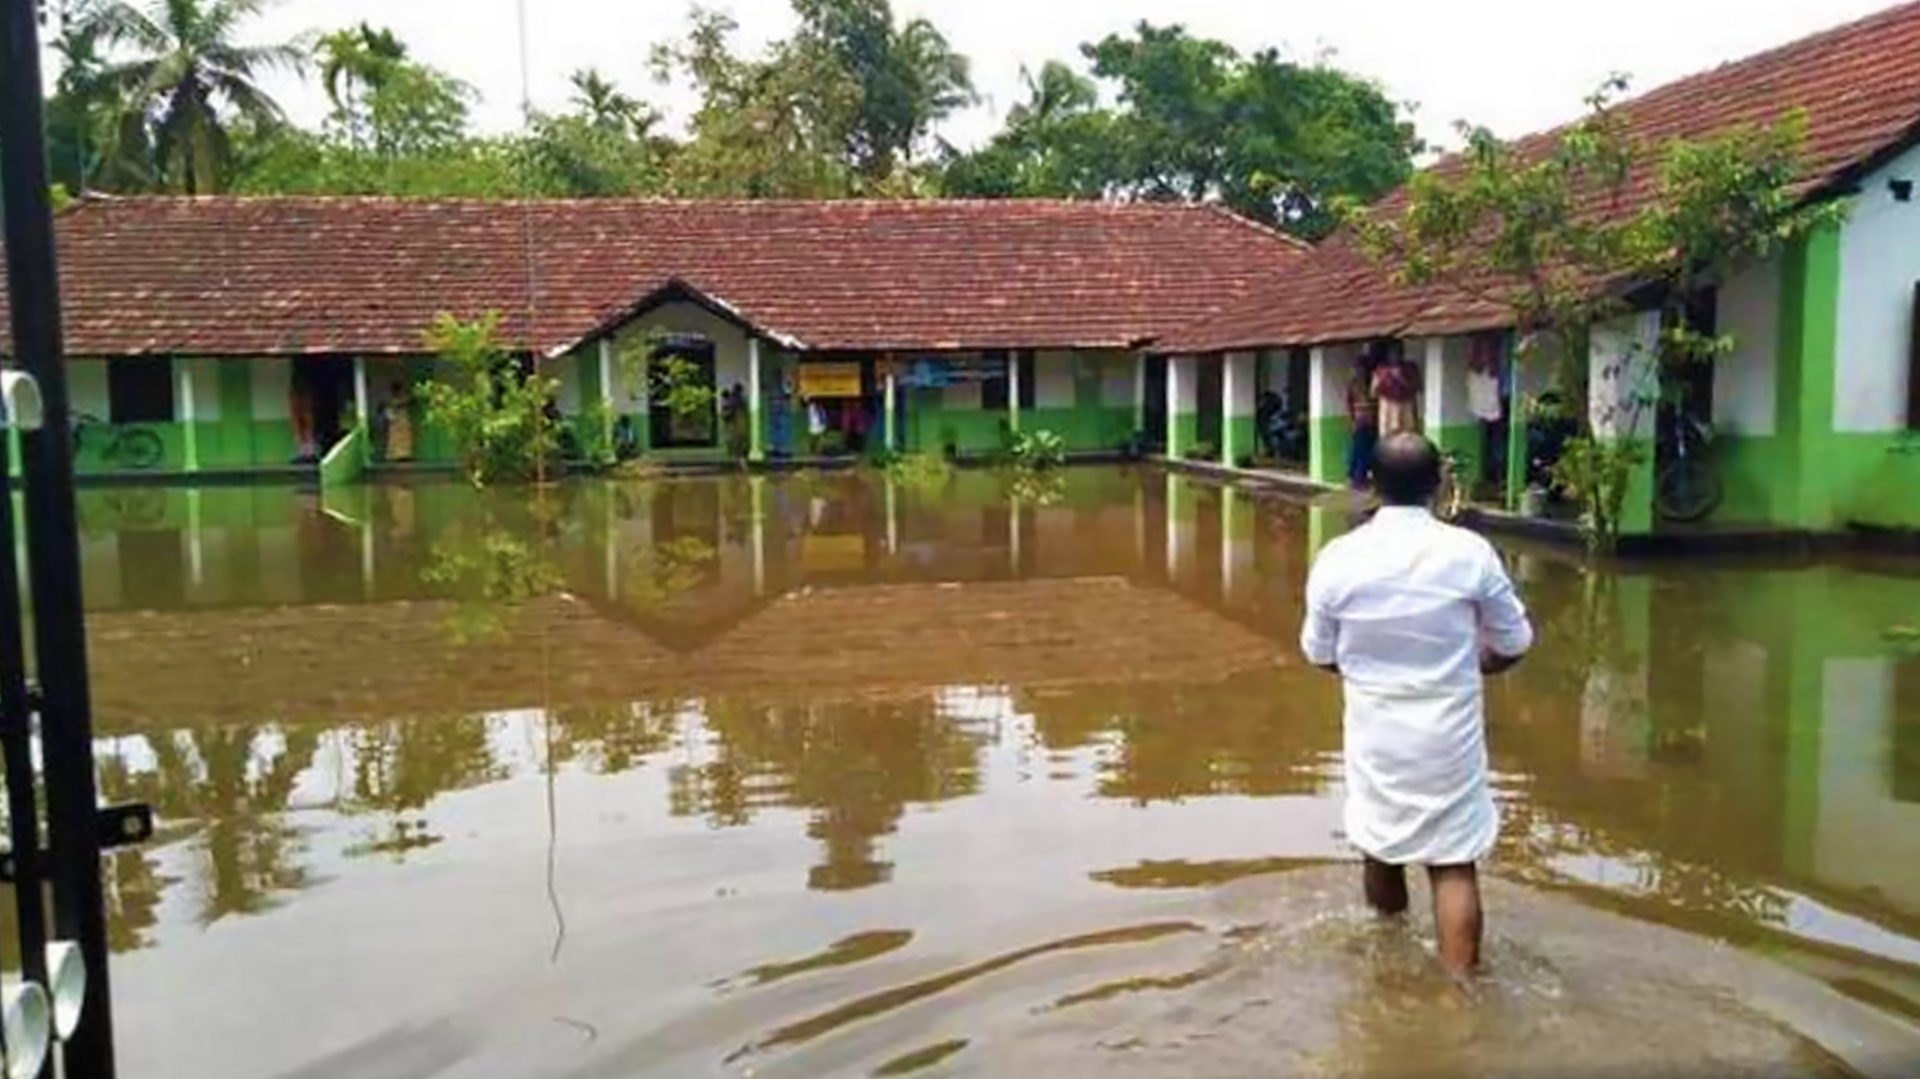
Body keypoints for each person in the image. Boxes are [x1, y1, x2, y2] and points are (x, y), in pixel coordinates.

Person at [1299, 433, 1534, 978]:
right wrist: (1477, 668)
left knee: (1377, 838)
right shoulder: (1469, 553)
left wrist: (1366, 677)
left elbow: (1319, 652)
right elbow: (1514, 642)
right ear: (1438, 485)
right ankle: (1460, 995)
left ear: (1371, 487)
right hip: (1448, 726)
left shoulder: (1339, 557)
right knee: (1452, 859)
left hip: (1375, 725)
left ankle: (1387, 950)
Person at [1372, 345, 1423, 438]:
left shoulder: (1410, 369)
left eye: (1398, 353)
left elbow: (1418, 387)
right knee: (1388, 438)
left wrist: (1401, 378)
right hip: (1388, 408)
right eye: (1392, 353)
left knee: (1407, 436)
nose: (1395, 356)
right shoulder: (1381, 370)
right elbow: (1373, 392)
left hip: (1406, 406)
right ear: (1388, 355)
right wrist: (1385, 379)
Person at [1346, 360, 1379, 488]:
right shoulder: (1353, 385)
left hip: (1369, 421)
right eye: (1358, 370)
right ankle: (1357, 478)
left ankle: (1359, 477)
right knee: (1359, 450)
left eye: (1361, 370)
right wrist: (1352, 420)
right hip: (1360, 421)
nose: (1360, 372)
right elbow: (1350, 405)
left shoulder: (1369, 384)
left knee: (1365, 450)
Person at [381, 380, 414, 463]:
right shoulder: (389, 399)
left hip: (402, 420)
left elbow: (407, 402)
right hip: (395, 420)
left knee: (404, 438)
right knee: (395, 439)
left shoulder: (402, 398)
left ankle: (404, 455)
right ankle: (395, 456)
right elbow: (388, 407)